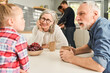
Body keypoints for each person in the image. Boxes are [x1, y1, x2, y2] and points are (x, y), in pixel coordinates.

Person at [60, 1, 110, 73]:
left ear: (95, 14)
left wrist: (71, 58)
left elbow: (99, 65)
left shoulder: (102, 28)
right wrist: (75, 51)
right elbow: (90, 47)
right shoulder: (94, 27)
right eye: (77, 15)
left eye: (81, 13)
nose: (77, 18)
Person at [0, 4, 29, 73]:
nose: (24, 21)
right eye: (22, 18)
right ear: (11, 21)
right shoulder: (18, 38)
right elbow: (24, 64)